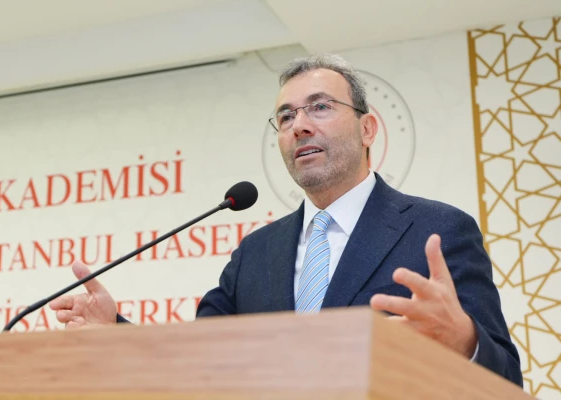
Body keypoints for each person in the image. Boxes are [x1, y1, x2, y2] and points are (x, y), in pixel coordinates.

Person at [49, 53, 523, 387]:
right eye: (286, 116)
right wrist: (116, 334)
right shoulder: (256, 253)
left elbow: (506, 380)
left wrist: (464, 341)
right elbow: (197, 361)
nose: (300, 125)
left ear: (367, 128)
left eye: (320, 107)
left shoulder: (437, 230)